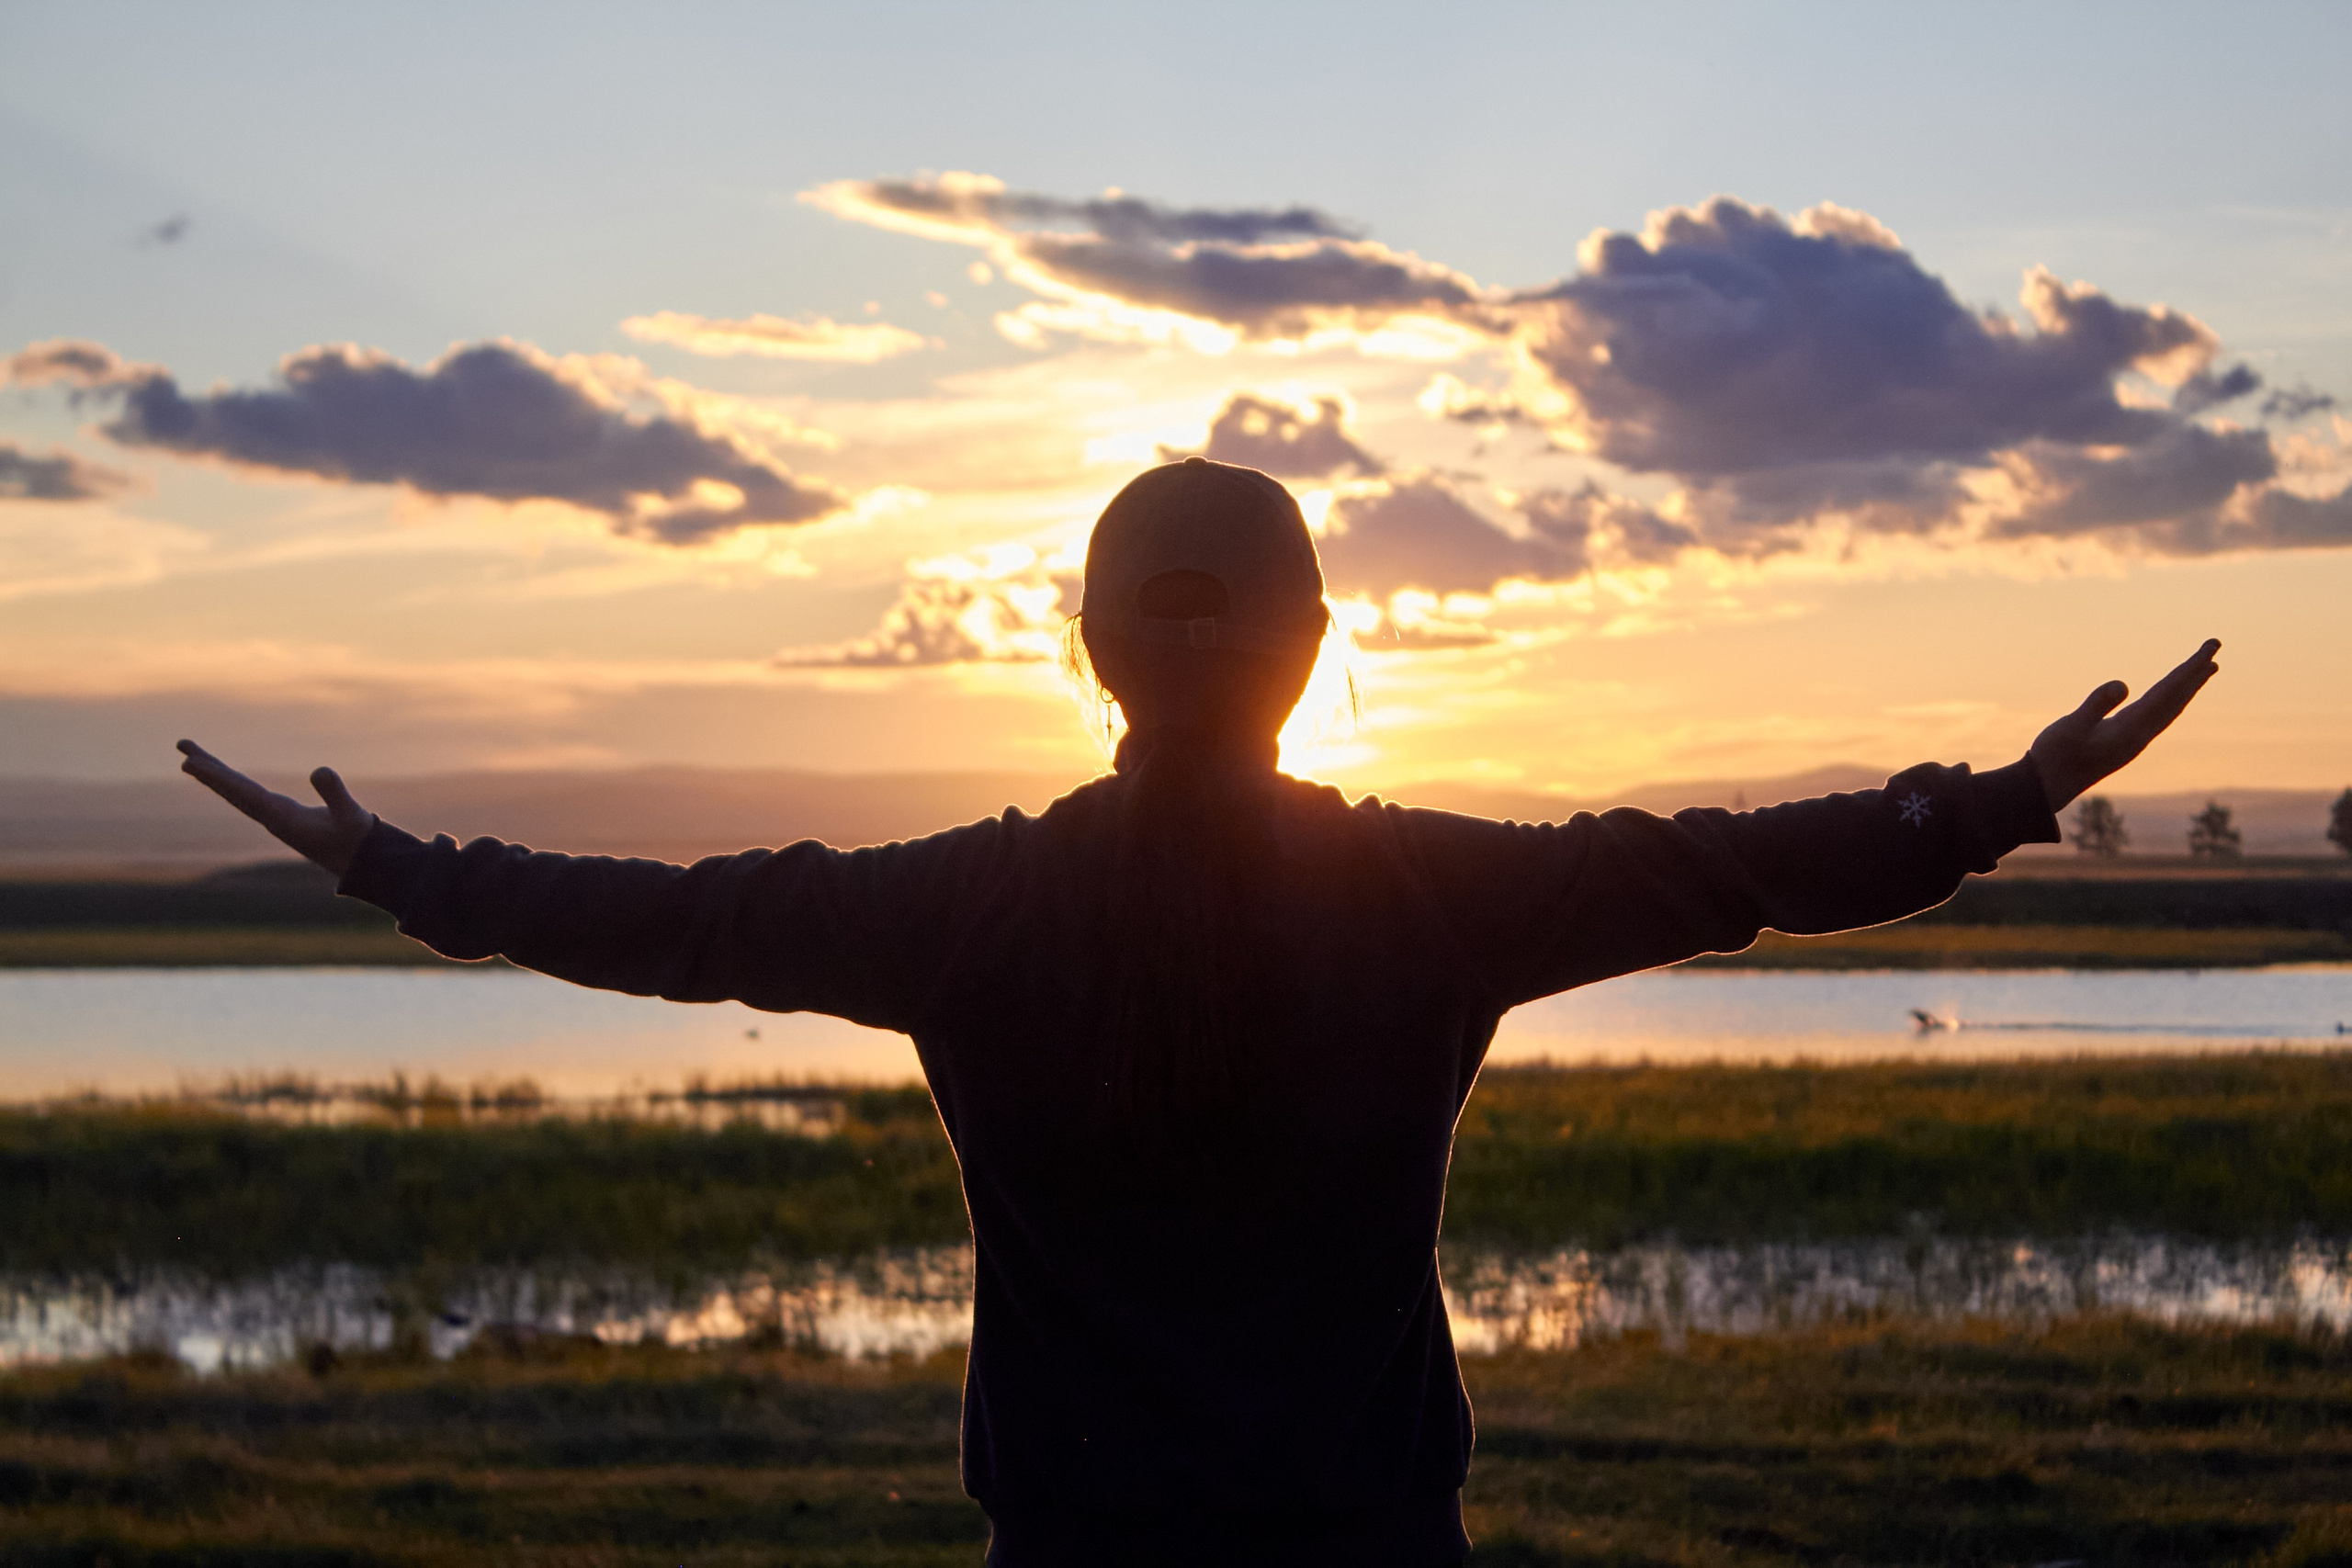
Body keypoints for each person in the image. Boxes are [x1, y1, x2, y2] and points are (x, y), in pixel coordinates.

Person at [178, 457, 2221, 1566]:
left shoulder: (962, 904)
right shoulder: (1429, 888)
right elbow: (1720, 866)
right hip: (1363, 1543)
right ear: (1319, 645)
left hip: (1071, 1556)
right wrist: (2000, 799)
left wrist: (398, 868)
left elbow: (680, 921)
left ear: (1077, 646)